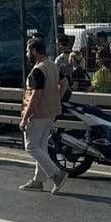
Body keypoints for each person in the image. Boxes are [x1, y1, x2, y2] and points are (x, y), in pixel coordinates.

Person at [18, 38, 69, 194]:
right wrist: (56, 98)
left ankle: (57, 174)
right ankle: (38, 181)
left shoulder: (38, 70)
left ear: (34, 51)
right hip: (51, 112)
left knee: (31, 146)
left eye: (28, 51)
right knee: (41, 148)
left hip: (37, 114)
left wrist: (25, 118)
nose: (27, 54)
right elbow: (65, 83)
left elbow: (36, 95)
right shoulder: (53, 66)